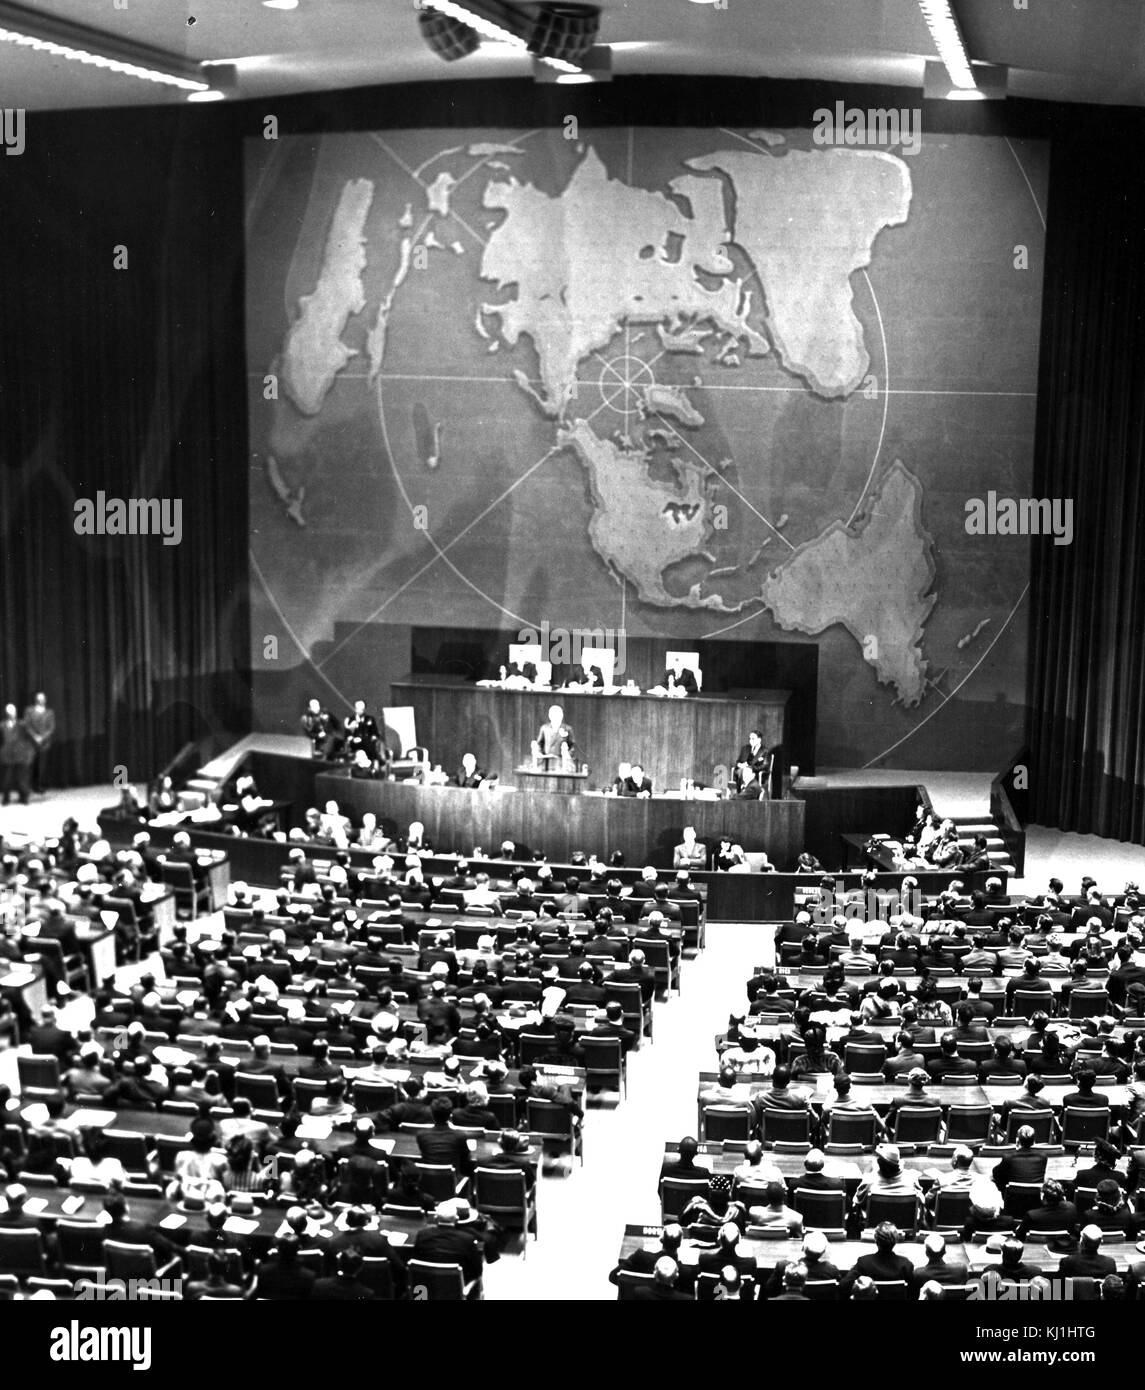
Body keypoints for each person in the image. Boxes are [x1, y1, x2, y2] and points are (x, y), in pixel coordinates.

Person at [840, 1223, 915, 1298]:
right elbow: (913, 1293)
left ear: (875, 1239)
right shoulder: (906, 1265)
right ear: (896, 1240)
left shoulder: (864, 1262)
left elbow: (844, 1285)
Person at [0, 704, 34, 806]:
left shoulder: (22, 724)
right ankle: (6, 797)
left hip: (20, 754)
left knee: (22, 777)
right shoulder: (2, 725)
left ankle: (24, 797)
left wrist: (28, 753)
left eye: (13, 711)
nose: (11, 713)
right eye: (9, 711)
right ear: (6, 713)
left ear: (15, 712)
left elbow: (29, 738)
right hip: (7, 754)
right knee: (7, 777)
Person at [22, 692, 55, 794]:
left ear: (45, 700)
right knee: (29, 766)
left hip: (44, 744)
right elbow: (27, 726)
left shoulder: (49, 712)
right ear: (36, 700)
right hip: (31, 743)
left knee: (41, 766)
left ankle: (38, 786)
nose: (41, 700)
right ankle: (27, 788)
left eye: (43, 699)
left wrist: (42, 738)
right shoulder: (29, 711)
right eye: (39, 699)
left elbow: (51, 728)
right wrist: (35, 737)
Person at [533, 705, 575, 770]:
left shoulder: (568, 729)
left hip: (561, 762)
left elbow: (572, 746)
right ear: (550, 716)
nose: (557, 717)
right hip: (546, 762)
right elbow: (539, 744)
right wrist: (540, 754)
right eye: (554, 714)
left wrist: (567, 755)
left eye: (559, 714)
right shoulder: (544, 728)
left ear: (562, 716)